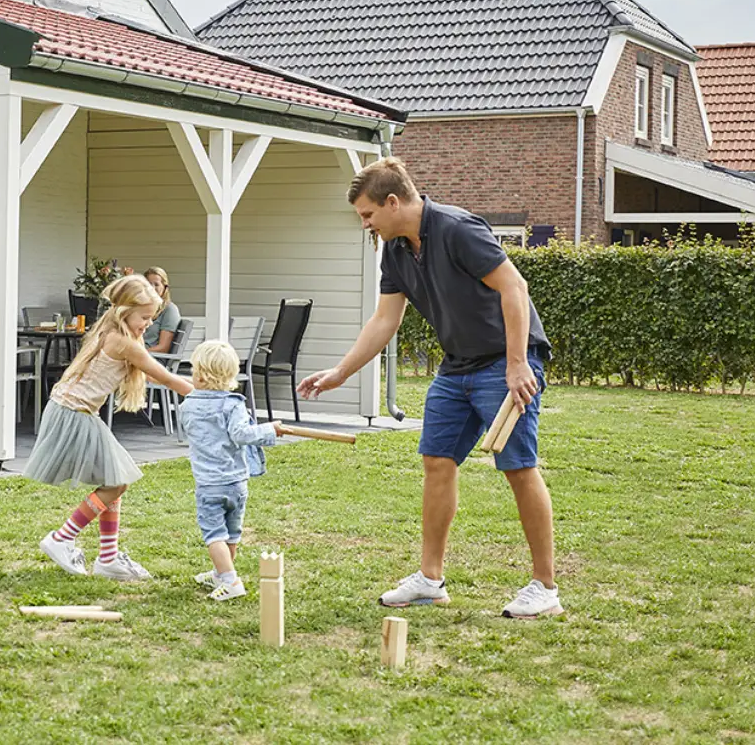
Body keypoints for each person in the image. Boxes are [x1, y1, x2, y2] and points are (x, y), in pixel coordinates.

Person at [296, 157, 562, 619]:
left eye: (367, 214)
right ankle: (430, 580)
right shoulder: (396, 250)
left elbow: (514, 288)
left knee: (518, 467)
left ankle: (545, 587)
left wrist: (518, 363)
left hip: (505, 363)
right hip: (456, 367)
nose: (365, 224)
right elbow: (385, 319)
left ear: (392, 202)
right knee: (436, 462)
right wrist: (341, 372)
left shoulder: (458, 229)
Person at [25, 275, 194, 581]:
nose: (148, 324)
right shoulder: (123, 342)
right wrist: (207, 393)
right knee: (116, 482)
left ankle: (108, 558)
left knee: (115, 478)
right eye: (144, 317)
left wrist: (195, 385)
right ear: (125, 311)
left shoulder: (108, 330)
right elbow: (165, 377)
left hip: (72, 409)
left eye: (151, 318)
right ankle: (62, 538)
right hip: (74, 413)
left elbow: (153, 375)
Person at [177, 340, 284, 602]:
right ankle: (220, 573)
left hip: (210, 484)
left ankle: (231, 581)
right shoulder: (234, 404)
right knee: (231, 533)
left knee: (214, 535)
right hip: (237, 482)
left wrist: (267, 429)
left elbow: (196, 427)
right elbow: (243, 434)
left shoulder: (188, 405)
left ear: (201, 375)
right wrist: (269, 429)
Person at [140, 267, 182, 354]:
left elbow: (163, 348)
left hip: (153, 357)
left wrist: (136, 354)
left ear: (165, 288)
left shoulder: (169, 310)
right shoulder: (141, 308)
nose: (152, 288)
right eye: (148, 284)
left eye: (156, 284)